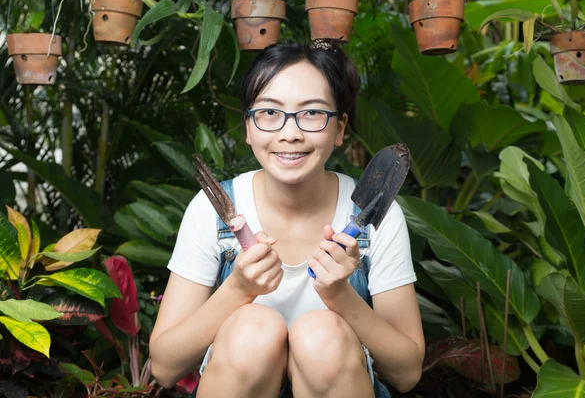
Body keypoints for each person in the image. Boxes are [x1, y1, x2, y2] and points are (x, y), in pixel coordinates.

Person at [149, 40, 425, 398]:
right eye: (269, 112)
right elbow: (164, 367)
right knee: (253, 328)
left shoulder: (376, 217)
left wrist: (341, 297)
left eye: (312, 113)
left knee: (321, 335)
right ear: (248, 128)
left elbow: (406, 373)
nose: (290, 133)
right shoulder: (211, 210)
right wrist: (237, 290)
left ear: (339, 128)